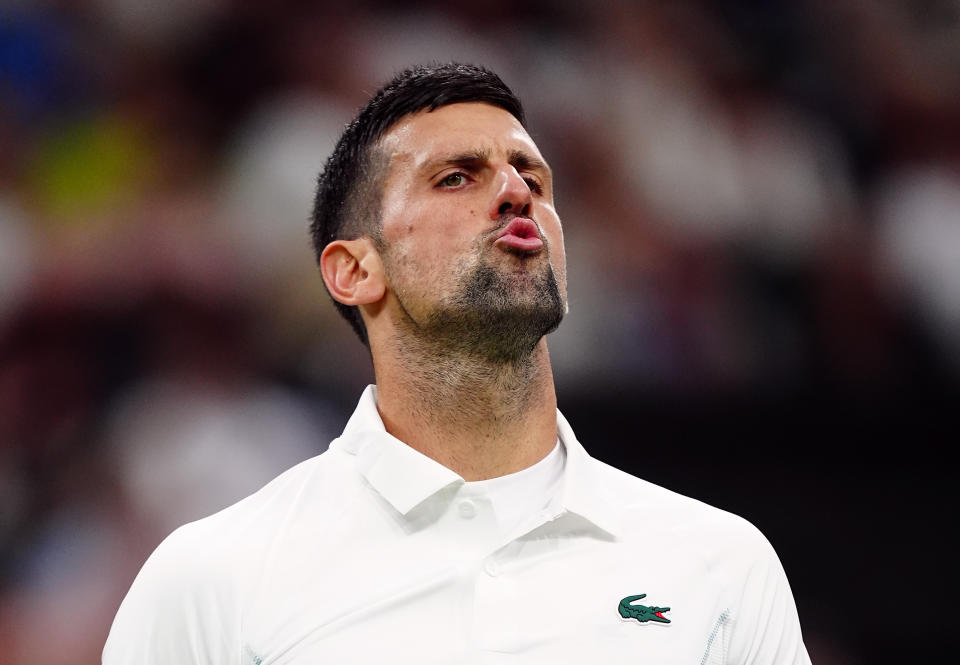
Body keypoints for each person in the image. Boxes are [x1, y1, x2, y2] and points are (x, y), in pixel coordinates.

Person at [103, 63, 811, 664]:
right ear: (353, 270)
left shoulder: (720, 566)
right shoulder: (210, 580)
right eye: (455, 178)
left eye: (531, 175)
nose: (515, 192)